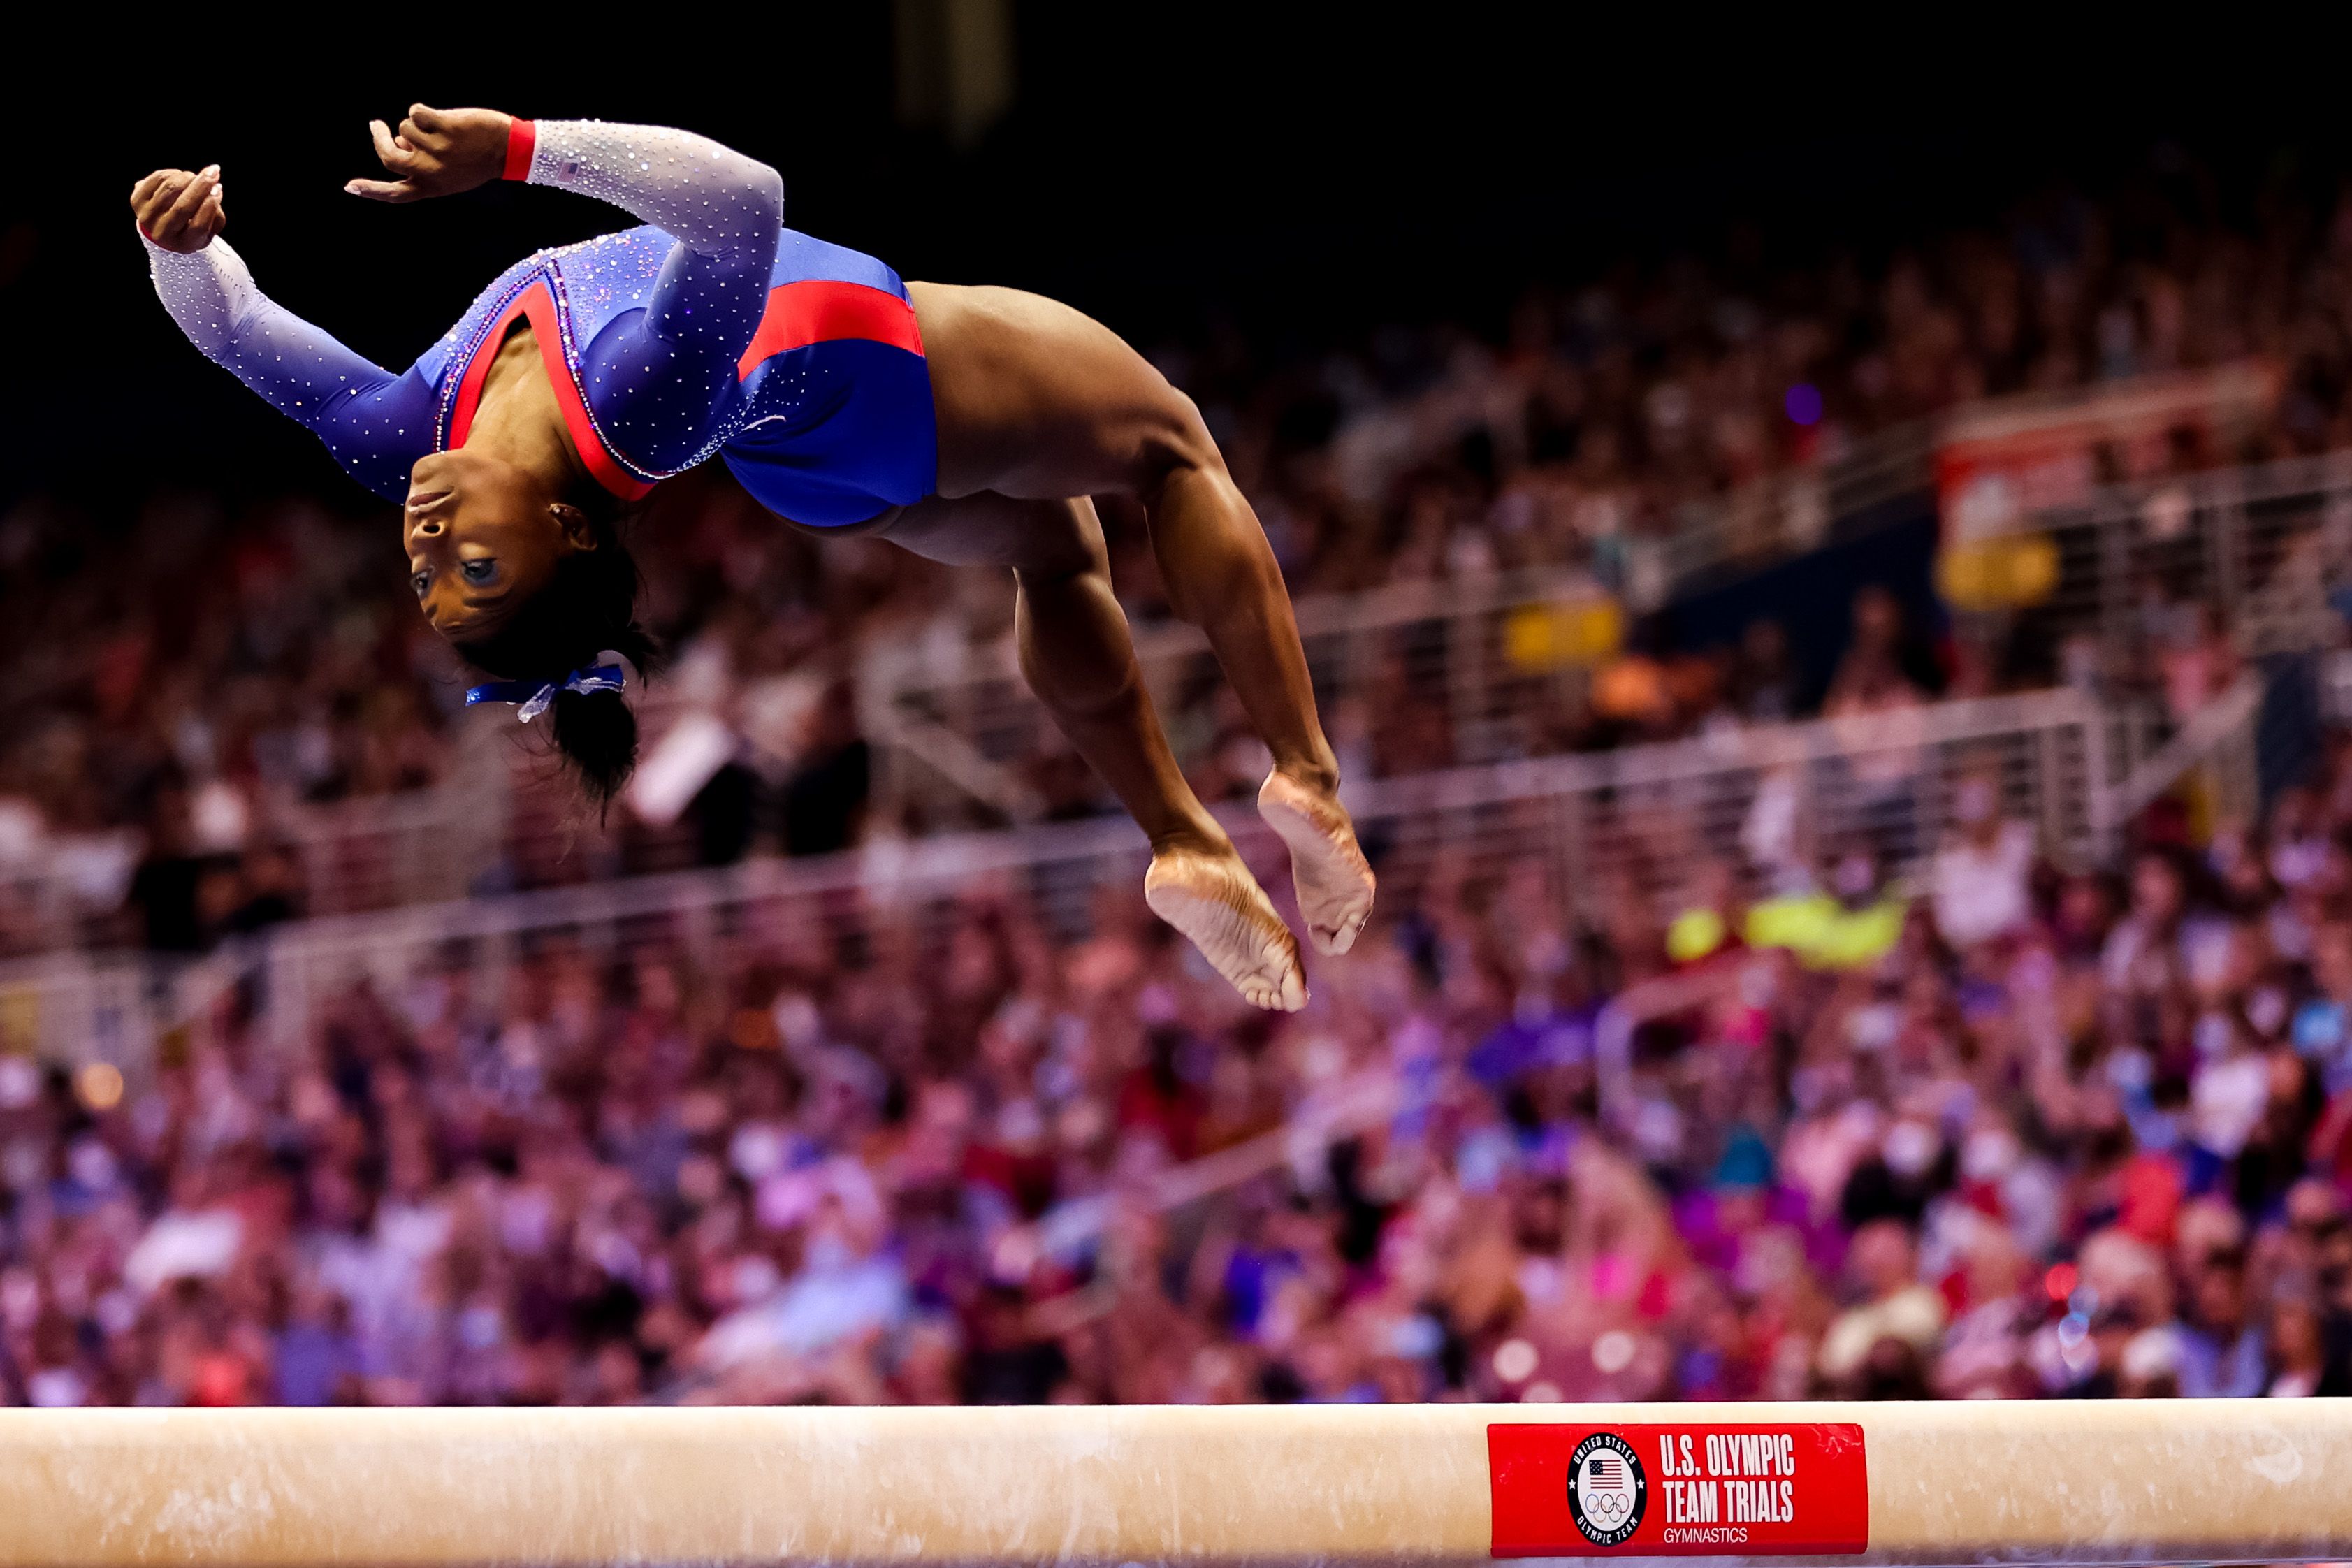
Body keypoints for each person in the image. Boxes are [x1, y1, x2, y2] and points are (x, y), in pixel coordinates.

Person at [131, 106, 1374, 1011]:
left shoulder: (407, 432)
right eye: (479, 576)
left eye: (429, 580)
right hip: (879, 359)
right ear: (566, 532)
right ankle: (1304, 773)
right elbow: (744, 202)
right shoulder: (631, 401)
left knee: (1056, 561)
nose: (429, 551)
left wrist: (176, 251)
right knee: (1167, 449)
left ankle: (1180, 841)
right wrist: (518, 151)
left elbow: (238, 330)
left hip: (809, 465)